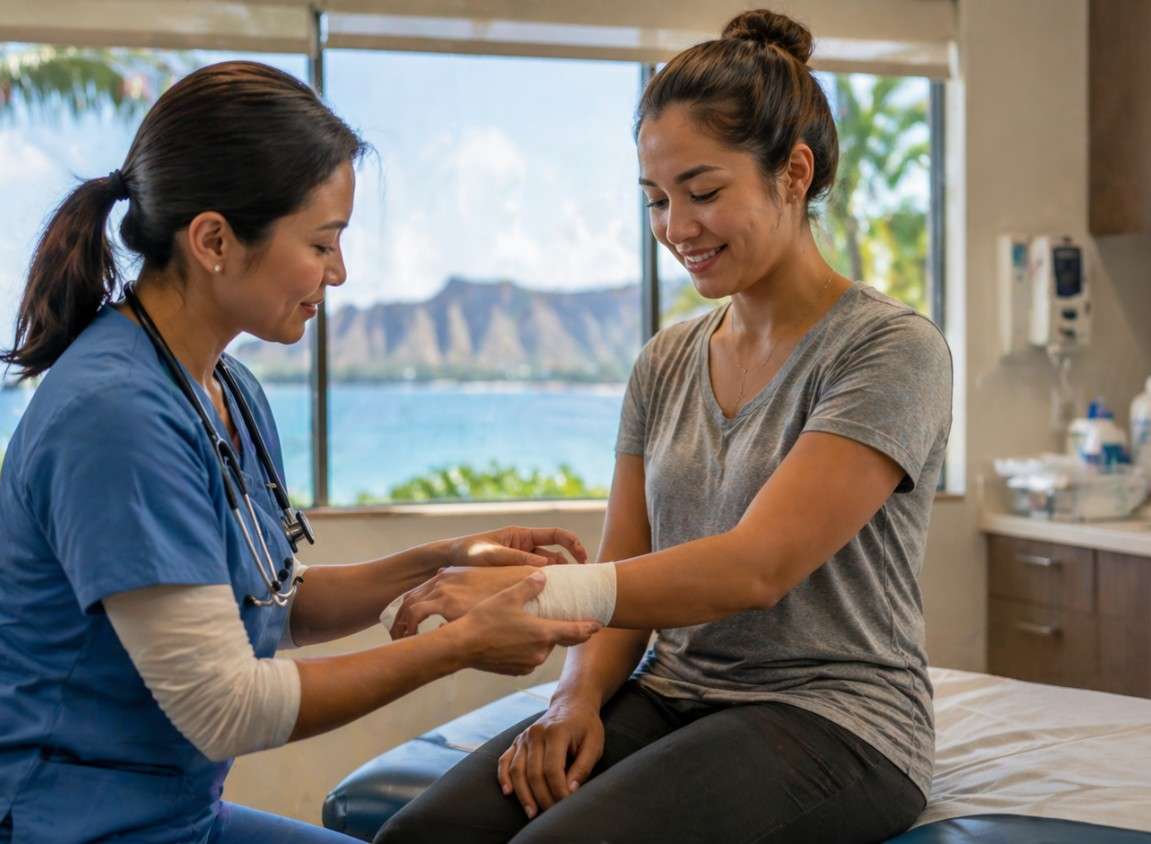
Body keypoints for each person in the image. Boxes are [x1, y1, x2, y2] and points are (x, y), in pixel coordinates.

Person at [0, 61, 602, 844]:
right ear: (215, 240)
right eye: (322, 242)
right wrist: (459, 646)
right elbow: (224, 706)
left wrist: (445, 558)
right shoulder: (115, 414)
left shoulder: (227, 390)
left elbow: (272, 606)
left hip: (168, 817)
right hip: (36, 821)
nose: (340, 271)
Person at [376, 9, 952, 843]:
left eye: (704, 192)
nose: (677, 229)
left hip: (837, 718)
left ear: (794, 173)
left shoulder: (889, 350)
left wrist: (535, 594)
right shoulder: (665, 362)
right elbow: (630, 562)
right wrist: (574, 696)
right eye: (656, 199)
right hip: (674, 690)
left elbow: (757, 568)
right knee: (418, 839)